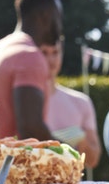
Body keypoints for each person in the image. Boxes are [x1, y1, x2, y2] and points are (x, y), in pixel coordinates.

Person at [0, 0, 61, 142]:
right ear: (45, 16)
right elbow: (30, 128)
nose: (60, 26)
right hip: (13, 162)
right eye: (58, 17)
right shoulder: (29, 56)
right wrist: (67, 153)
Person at [40, 41, 101, 171]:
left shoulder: (81, 102)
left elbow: (93, 159)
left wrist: (80, 139)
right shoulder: (16, 102)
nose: (50, 60)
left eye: (55, 53)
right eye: (44, 53)